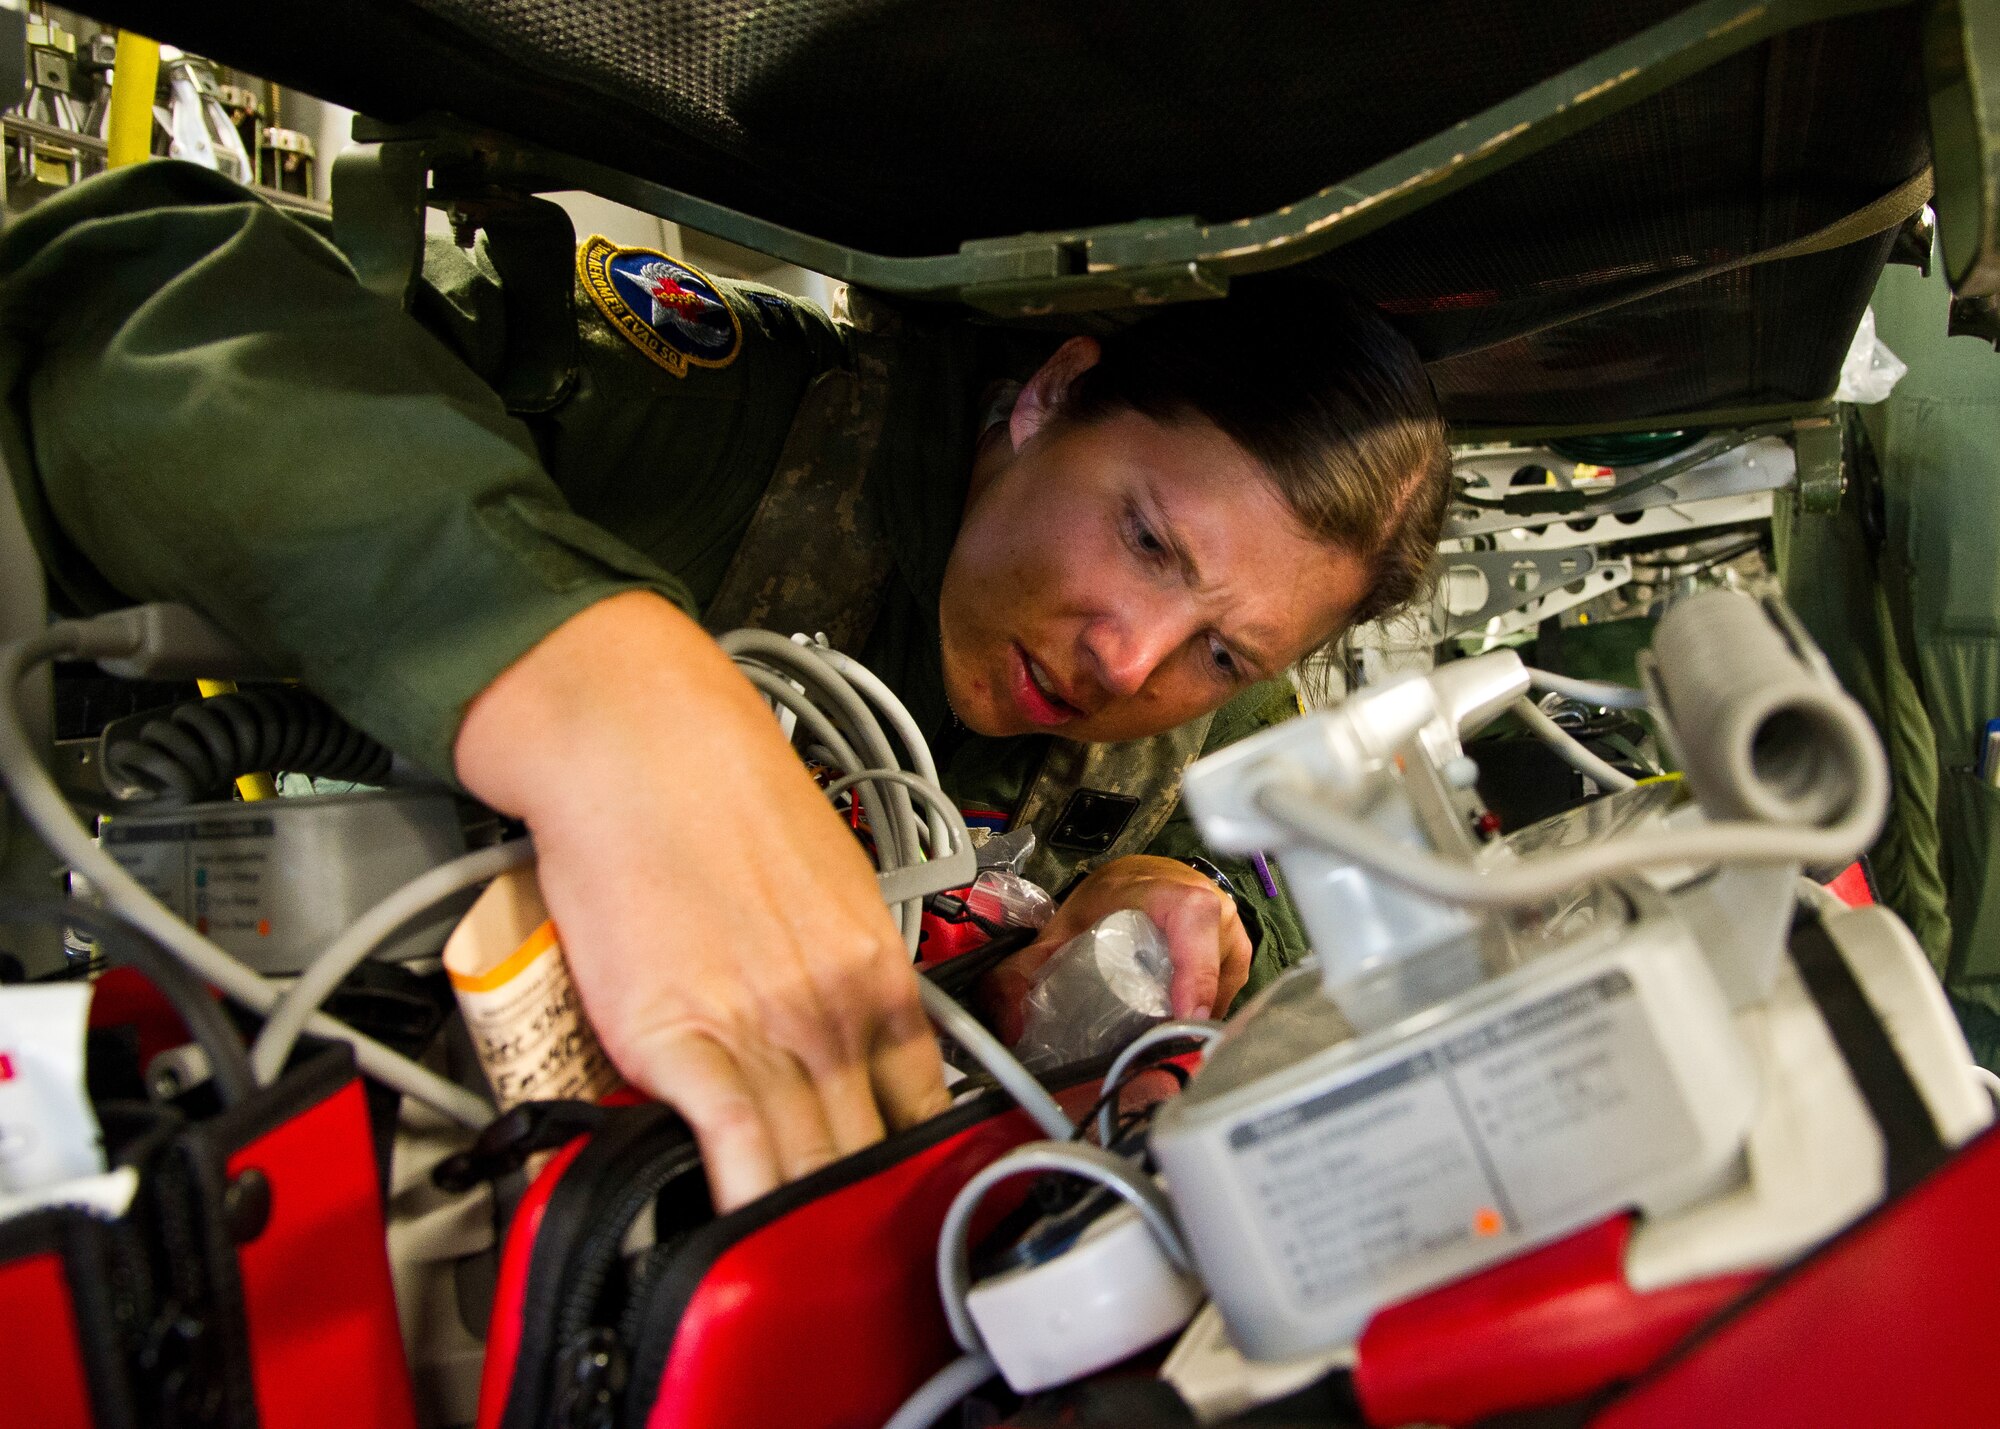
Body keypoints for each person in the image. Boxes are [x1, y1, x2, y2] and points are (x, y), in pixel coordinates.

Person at [0, 161, 1450, 1210]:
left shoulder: (1211, 702)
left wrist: (1194, 906)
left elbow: (1265, 848)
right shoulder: (694, 414)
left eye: (1221, 650)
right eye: (1143, 536)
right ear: (1053, 390)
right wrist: (598, 691)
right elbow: (128, 307)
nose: (1131, 657)